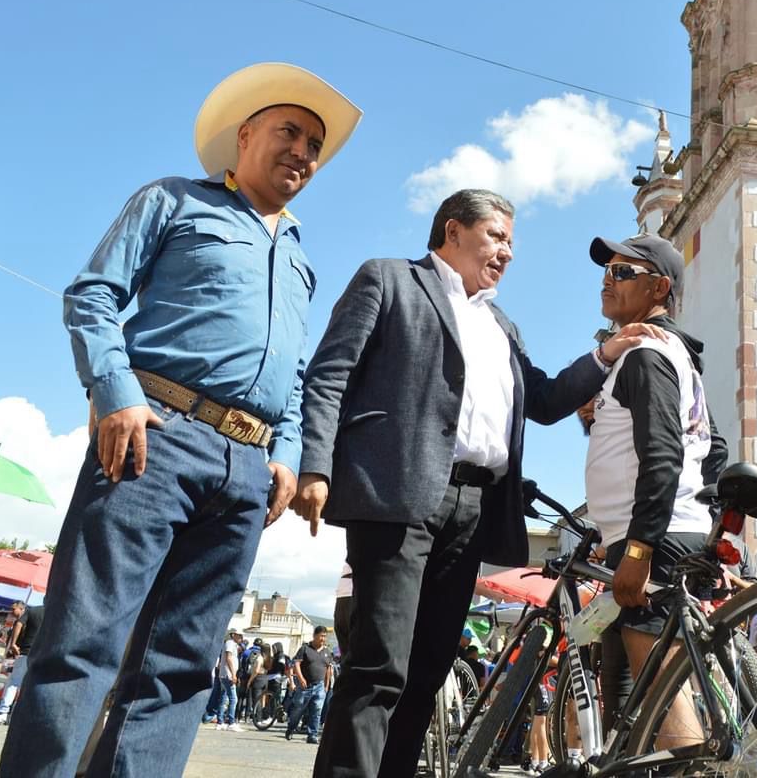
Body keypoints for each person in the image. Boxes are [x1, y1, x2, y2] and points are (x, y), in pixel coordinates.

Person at [0, 63, 362, 778]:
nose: (303, 152)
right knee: (83, 645)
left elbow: (293, 374)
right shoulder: (172, 200)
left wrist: (286, 451)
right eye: (290, 131)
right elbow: (93, 296)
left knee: (181, 669)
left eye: (315, 145)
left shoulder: (301, 260)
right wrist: (115, 390)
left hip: (247, 472)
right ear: (245, 134)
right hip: (153, 436)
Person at [292, 189, 663, 778]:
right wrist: (315, 464)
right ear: (452, 230)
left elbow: (540, 400)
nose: (508, 253)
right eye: (497, 236)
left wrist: (606, 353)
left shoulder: (502, 324)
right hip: (397, 495)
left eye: (511, 242)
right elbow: (329, 374)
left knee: (429, 669)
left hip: (474, 508)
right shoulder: (389, 280)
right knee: (379, 666)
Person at [582, 233, 728, 750]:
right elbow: (715, 447)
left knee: (666, 698)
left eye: (623, 272)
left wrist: (641, 548)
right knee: (643, 694)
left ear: (659, 287)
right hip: (667, 530)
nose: (608, 278)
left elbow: (663, 454)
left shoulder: (646, 354)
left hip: (655, 540)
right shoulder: (669, 354)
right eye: (607, 270)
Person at [0, 599, 47, 725]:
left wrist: (13, 643)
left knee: (14, 683)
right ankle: (18, 715)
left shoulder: (32, 610)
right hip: (44, 653)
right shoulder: (56, 613)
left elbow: (19, 624)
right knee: (32, 685)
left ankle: (2, 713)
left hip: (27, 651)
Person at [286, 626, 334, 745]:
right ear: (314, 635)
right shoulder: (305, 649)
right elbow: (296, 664)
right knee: (298, 709)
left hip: (320, 686)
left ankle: (312, 735)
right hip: (305, 686)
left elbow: (328, 669)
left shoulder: (327, 652)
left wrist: (326, 685)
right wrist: (301, 678)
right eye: (321, 636)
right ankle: (291, 728)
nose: (323, 639)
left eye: (324, 636)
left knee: (316, 710)